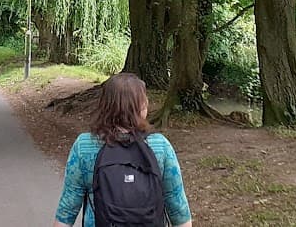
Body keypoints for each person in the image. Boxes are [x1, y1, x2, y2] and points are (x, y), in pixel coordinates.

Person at [53, 73, 193, 227]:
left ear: (104, 105)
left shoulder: (84, 146)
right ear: (141, 106)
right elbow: (179, 209)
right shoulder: (160, 146)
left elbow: (67, 209)